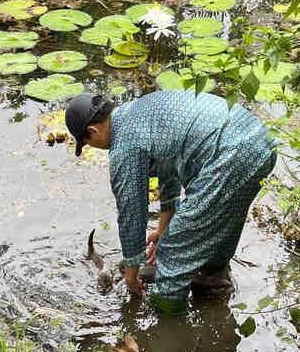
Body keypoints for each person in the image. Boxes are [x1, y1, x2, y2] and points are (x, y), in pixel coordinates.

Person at [65, 90, 277, 316]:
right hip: (261, 142)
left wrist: (131, 275)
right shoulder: (141, 112)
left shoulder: (124, 146)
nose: (94, 147)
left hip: (229, 155)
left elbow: (132, 214)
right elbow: (170, 172)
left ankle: (168, 328)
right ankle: (214, 287)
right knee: (221, 225)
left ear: (92, 131)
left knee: (171, 256)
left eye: (87, 143)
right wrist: (163, 228)